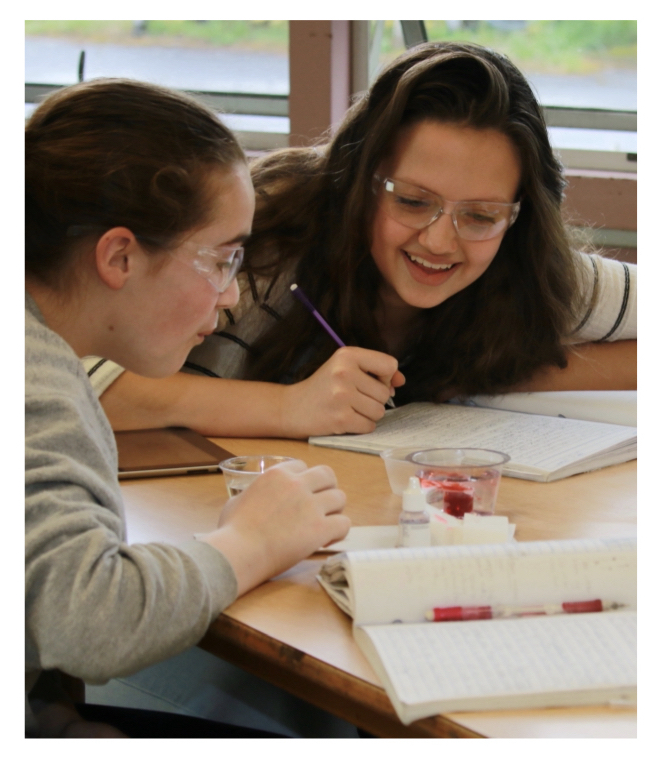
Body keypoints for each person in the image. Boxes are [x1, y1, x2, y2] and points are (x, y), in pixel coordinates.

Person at [88, 41, 636, 440]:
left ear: (518, 217)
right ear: (361, 180)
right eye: (413, 201)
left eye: (481, 215)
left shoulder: (529, 266)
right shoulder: (268, 230)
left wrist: (507, 373)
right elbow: (70, 379)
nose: (441, 241)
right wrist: (288, 408)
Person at [25, 78, 350, 737]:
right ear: (119, 255)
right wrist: (248, 543)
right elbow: (91, 619)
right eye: (222, 259)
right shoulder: (36, 384)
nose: (230, 297)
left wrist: (50, 719)